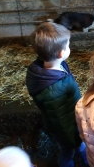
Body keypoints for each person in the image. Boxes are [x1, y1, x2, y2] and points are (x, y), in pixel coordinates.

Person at [26, 22, 88, 167]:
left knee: (75, 149)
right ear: (61, 53)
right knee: (68, 152)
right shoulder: (54, 90)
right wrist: (75, 139)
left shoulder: (45, 69)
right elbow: (61, 121)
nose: (69, 48)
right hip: (68, 130)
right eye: (67, 46)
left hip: (65, 123)